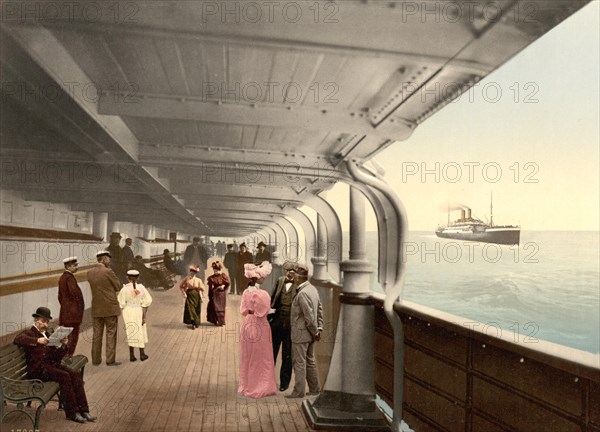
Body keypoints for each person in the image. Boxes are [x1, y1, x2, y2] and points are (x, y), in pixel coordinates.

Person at [14, 307, 97, 423]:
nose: (45, 324)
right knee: (64, 376)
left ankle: (84, 410)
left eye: (46, 322)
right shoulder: (30, 332)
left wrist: (62, 345)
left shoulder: (47, 334)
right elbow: (18, 339)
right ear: (36, 320)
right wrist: (37, 340)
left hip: (50, 366)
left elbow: (56, 357)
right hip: (38, 370)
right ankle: (73, 413)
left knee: (75, 374)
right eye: (42, 321)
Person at [286, 264, 324, 398]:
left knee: (299, 362)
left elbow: (309, 316)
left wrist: (315, 331)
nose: (292, 276)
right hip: (311, 334)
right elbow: (319, 310)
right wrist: (318, 329)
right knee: (310, 361)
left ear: (299, 277)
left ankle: (298, 391)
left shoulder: (302, 294)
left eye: (294, 274)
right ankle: (314, 389)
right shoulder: (312, 289)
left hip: (301, 334)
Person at [238, 275, 277, 399]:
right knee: (261, 355)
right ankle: (259, 386)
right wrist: (272, 311)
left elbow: (243, 311)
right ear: (259, 279)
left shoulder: (245, 292)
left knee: (248, 354)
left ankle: (247, 385)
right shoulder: (261, 294)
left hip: (247, 323)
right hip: (259, 325)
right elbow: (262, 312)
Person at [87, 250, 122, 366]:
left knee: (97, 334)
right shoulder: (108, 271)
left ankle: (96, 360)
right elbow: (117, 286)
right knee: (111, 333)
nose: (109, 260)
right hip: (109, 307)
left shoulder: (90, 272)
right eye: (108, 258)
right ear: (103, 259)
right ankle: (110, 360)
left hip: (97, 307)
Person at [269, 261, 297, 391]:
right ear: (285, 271)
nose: (291, 273)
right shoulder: (280, 281)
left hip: (291, 325)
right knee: (271, 352)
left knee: (287, 354)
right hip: (277, 323)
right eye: (288, 271)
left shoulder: (298, 286)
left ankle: (284, 383)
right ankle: (267, 380)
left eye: (293, 271)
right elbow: (272, 299)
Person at [118, 270, 153, 362]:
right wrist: (144, 312)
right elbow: (148, 300)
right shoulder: (141, 288)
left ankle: (132, 356)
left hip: (128, 311)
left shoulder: (124, 289)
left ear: (127, 277)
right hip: (138, 310)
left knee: (131, 332)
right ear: (138, 278)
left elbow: (121, 303)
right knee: (140, 331)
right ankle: (142, 354)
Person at [58, 256, 85, 358]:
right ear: (69, 266)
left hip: (66, 313)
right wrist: (76, 308)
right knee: (72, 337)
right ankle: (68, 356)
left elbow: (60, 296)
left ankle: (66, 356)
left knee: (66, 336)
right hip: (73, 315)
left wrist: (66, 307)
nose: (77, 267)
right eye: (75, 265)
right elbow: (75, 294)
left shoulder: (62, 278)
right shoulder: (69, 278)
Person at [179, 264, 205, 329]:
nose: (192, 273)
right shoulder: (187, 278)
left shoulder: (198, 280)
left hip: (196, 295)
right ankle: (193, 323)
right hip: (189, 295)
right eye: (191, 271)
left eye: (194, 272)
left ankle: (196, 322)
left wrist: (201, 297)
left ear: (196, 273)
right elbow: (181, 286)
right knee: (191, 309)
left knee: (196, 309)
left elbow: (200, 289)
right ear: (190, 271)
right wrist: (184, 293)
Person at [206, 261, 229, 326]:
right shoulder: (211, 278)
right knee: (215, 306)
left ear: (220, 270)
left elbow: (227, 283)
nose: (216, 272)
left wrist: (223, 286)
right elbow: (210, 288)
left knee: (221, 307)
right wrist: (210, 296)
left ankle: (221, 322)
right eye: (214, 271)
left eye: (217, 270)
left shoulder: (223, 276)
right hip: (215, 293)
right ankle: (215, 320)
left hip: (221, 294)